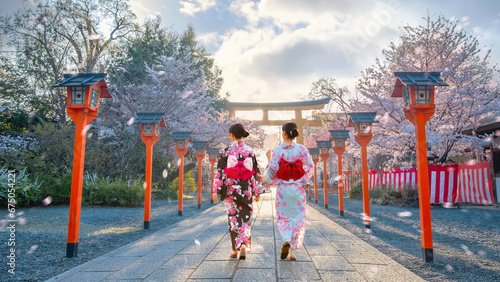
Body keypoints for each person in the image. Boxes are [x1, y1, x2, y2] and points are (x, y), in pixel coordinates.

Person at [212, 123, 263, 260]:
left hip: (231, 189)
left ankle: (234, 249)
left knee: (233, 217)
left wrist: (216, 190)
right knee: (245, 217)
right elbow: (254, 171)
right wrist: (257, 190)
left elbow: (221, 173)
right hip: (245, 188)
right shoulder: (249, 151)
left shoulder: (227, 151)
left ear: (231, 135)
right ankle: (244, 245)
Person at [264, 122, 314, 261]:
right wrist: (304, 180)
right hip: (298, 188)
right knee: (298, 217)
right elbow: (310, 165)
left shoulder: (278, 150)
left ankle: (286, 239)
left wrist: (272, 176)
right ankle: (292, 252)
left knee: (283, 217)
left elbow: (272, 169)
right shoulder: (301, 149)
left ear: (284, 133)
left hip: (283, 189)